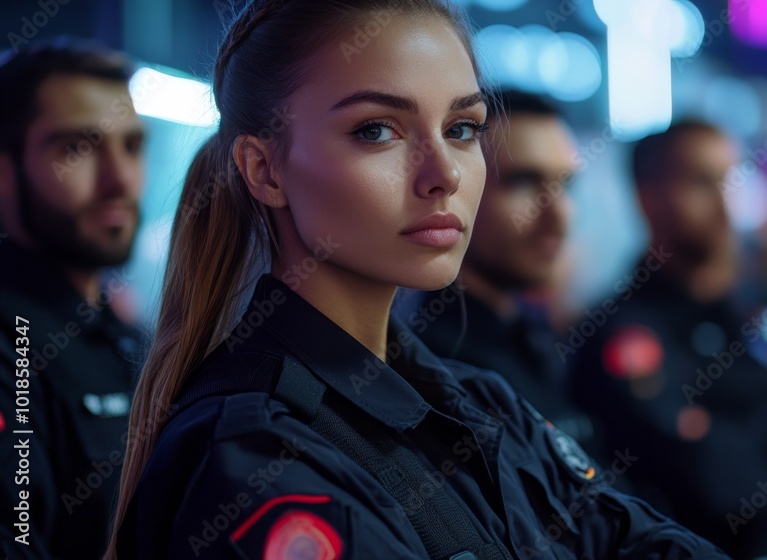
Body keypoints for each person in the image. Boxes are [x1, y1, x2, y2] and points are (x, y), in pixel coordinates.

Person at [106, 1, 731, 559]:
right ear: (265, 170)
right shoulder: (257, 457)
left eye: (462, 130)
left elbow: (639, 539)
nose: (445, 174)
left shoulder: (479, 402)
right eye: (377, 130)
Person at [569, 121, 767, 559]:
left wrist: (739, 428)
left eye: (729, 180)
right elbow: (714, 481)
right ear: (647, 195)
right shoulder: (621, 334)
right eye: (701, 182)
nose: (724, 202)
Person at [0, 39, 146, 560]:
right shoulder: (11, 344)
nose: (121, 180)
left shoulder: (132, 339)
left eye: (132, 146)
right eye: (77, 148)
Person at [408, 90, 601, 457]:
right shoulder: (436, 367)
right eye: (524, 182)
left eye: (566, 185)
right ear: (454, 187)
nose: (559, 215)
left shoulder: (538, 338)